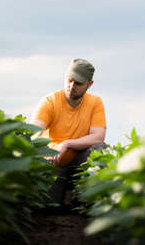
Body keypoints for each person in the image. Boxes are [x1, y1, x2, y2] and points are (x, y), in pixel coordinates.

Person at [30, 58, 107, 207]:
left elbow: (98, 136)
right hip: (53, 164)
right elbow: (34, 131)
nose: (72, 86)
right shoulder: (49, 102)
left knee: (99, 148)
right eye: (69, 80)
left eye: (78, 83)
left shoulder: (95, 103)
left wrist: (67, 143)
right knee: (50, 207)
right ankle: (62, 194)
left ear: (89, 84)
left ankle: (79, 195)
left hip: (78, 163)